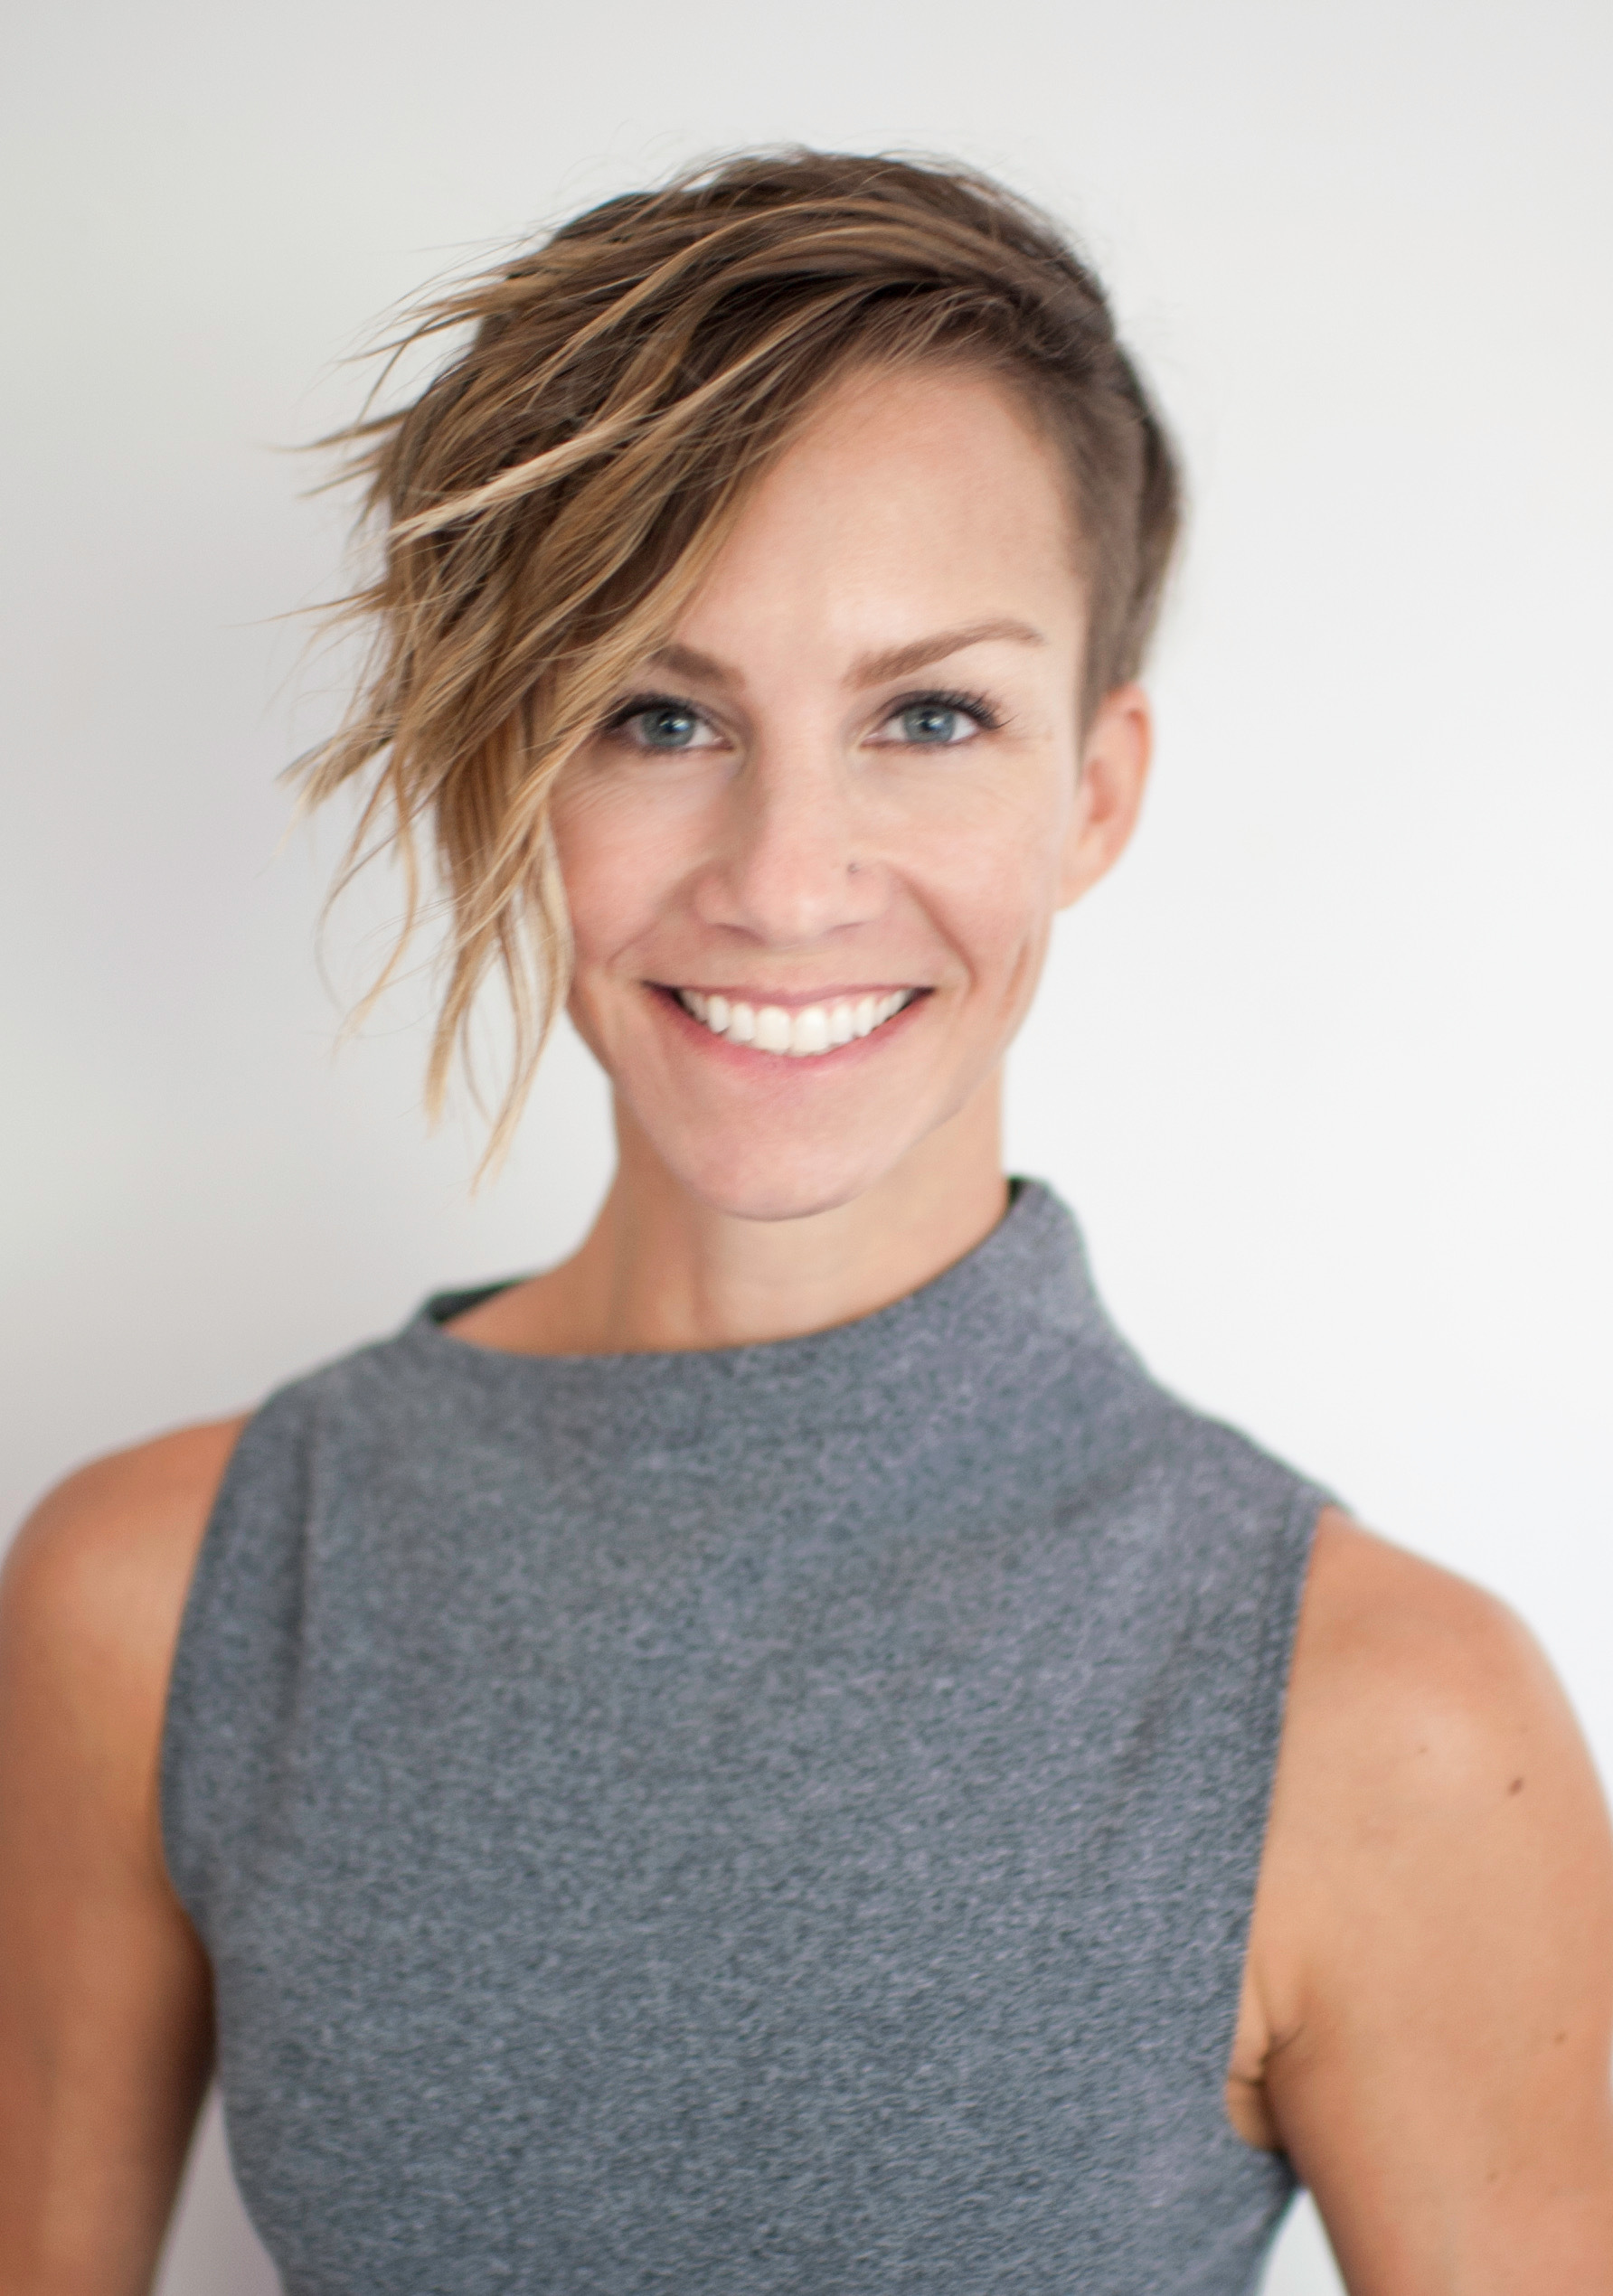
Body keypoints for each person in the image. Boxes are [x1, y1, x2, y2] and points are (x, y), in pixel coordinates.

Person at [1, 151, 1608, 2296]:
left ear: (1094, 787)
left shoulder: (1388, 1713)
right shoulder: (163, 1596)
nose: (783, 876)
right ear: (509, 765)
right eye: (656, 716)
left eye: (927, 716)